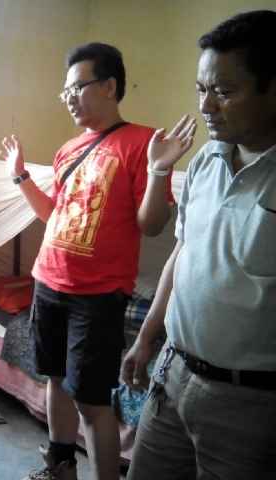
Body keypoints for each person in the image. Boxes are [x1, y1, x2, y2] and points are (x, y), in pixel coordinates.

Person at [0, 43, 196, 480]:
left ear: (109, 86)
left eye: (77, 87)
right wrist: (20, 175)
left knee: (91, 401)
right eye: (65, 91)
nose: (69, 98)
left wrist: (160, 171)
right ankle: (60, 467)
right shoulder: (68, 149)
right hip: (47, 280)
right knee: (54, 379)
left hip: (98, 294)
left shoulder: (145, 143)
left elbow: (152, 225)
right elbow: (52, 214)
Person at [122, 10, 276, 480]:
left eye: (224, 91)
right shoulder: (206, 161)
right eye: (201, 89)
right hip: (173, 373)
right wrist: (146, 338)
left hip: (248, 403)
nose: (206, 105)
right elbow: (182, 253)